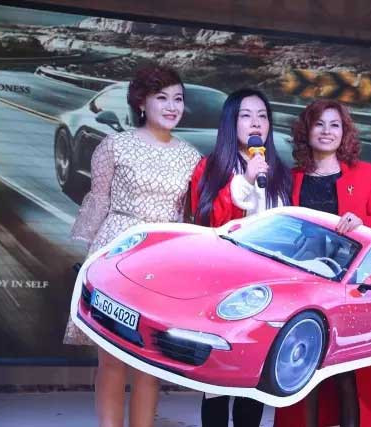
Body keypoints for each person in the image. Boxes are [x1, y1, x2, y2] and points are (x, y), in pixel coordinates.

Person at [64, 64, 201, 427]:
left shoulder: (191, 157)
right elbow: (99, 200)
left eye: (178, 99)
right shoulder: (114, 145)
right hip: (117, 254)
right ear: (141, 102)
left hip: (164, 260)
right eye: (162, 98)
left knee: (149, 358)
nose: (172, 106)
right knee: (111, 357)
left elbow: (189, 216)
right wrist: (88, 257)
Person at [274, 99, 371, 427]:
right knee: (306, 370)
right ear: (307, 130)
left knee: (348, 371)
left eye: (335, 125)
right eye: (319, 124)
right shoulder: (290, 179)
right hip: (304, 287)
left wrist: (362, 223)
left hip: (352, 286)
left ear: (344, 132)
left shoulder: (366, 174)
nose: (327, 131)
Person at [189, 88, 291, 427]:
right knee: (217, 380)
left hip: (268, 289)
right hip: (223, 288)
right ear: (231, 123)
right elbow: (208, 222)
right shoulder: (211, 167)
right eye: (246, 116)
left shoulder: (280, 172)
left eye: (262, 116)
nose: (255, 123)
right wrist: (245, 181)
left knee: (254, 377)